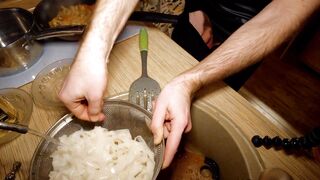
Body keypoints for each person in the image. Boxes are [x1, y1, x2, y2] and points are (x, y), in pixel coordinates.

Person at [59, 0, 320, 169]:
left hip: (252, 32)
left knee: (220, 95)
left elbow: (285, 11)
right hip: (199, 13)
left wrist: (190, 81)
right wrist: (94, 49)